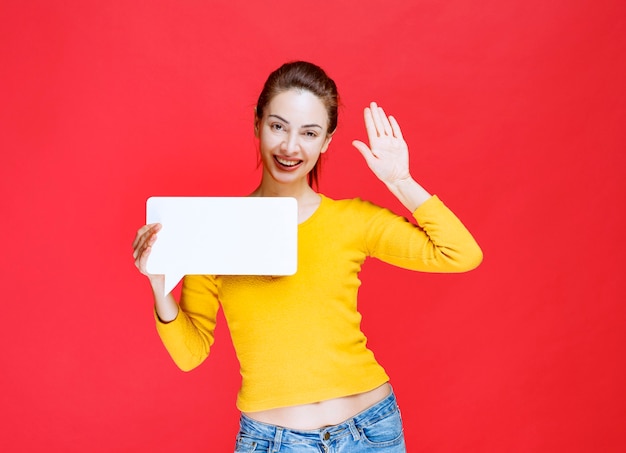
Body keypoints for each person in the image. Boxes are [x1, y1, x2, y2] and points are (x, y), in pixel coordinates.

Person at [132, 61, 482, 452]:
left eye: (309, 133)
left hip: (371, 433)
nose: (290, 146)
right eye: (278, 126)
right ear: (257, 123)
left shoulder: (352, 220)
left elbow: (459, 254)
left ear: (327, 141)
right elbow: (190, 354)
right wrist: (161, 287)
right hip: (273, 441)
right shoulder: (217, 228)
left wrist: (400, 180)